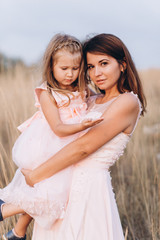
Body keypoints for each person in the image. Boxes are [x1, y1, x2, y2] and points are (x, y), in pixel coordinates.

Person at [22, 33, 146, 240]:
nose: (97, 73)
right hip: (62, 187)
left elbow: (84, 147)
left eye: (104, 63)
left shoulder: (127, 102)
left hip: (89, 192)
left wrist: (35, 176)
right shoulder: (89, 99)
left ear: (123, 64)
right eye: (89, 66)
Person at [0, 33, 103, 240]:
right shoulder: (48, 93)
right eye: (64, 68)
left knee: (45, 193)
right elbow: (57, 128)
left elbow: (100, 99)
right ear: (51, 66)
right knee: (51, 196)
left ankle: (18, 232)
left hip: (68, 149)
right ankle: (4, 211)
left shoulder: (82, 88)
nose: (70, 74)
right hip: (48, 147)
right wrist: (82, 125)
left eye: (75, 68)